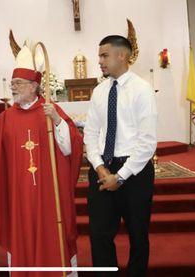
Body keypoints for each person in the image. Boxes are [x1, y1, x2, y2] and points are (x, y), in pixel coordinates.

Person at [0, 44, 84, 277]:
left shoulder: (51, 111)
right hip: (19, 196)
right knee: (23, 236)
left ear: (33, 86)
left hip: (49, 196)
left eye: (17, 83)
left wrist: (58, 122)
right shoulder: (6, 118)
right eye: (12, 84)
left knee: (52, 237)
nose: (13, 88)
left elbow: (71, 147)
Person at [83, 35, 158, 276]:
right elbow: (91, 134)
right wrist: (99, 167)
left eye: (105, 55)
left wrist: (121, 176)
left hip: (134, 171)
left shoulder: (142, 90)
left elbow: (147, 142)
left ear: (122, 56)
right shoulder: (99, 91)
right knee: (99, 235)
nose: (100, 61)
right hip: (102, 169)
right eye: (99, 56)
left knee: (138, 235)